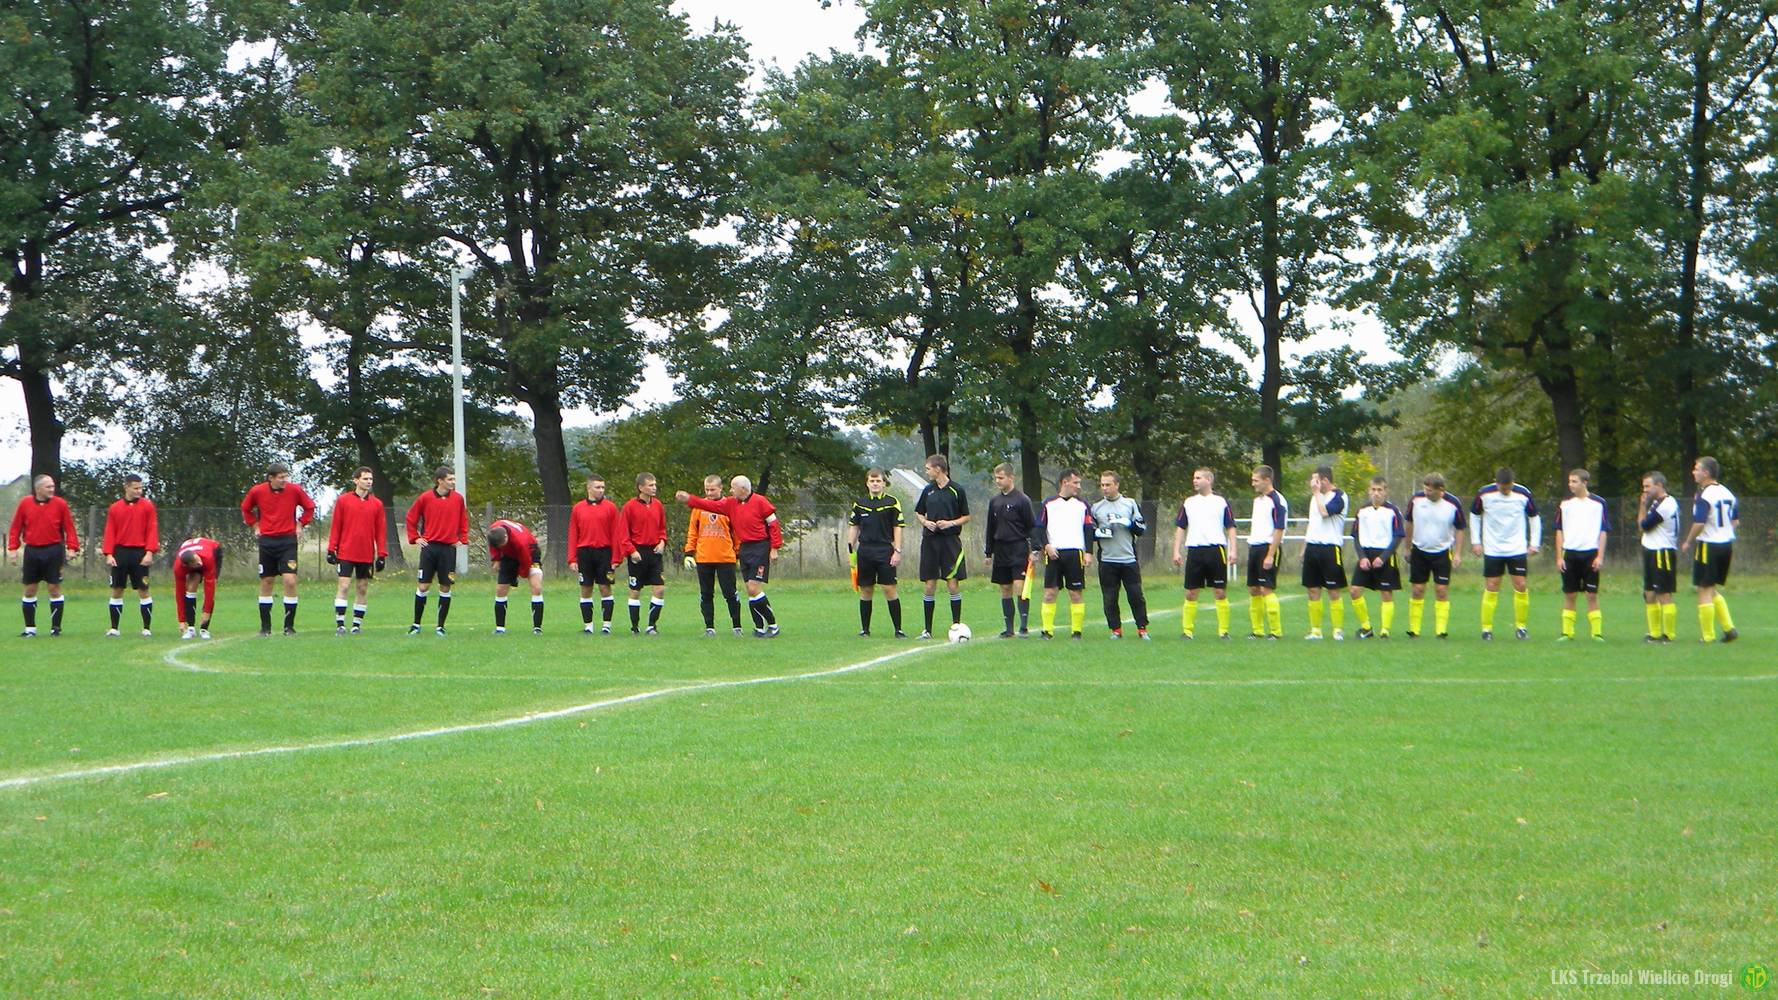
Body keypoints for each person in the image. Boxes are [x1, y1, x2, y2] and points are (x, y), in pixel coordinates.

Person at [675, 476, 784, 637]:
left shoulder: (760, 501)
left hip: (759, 548)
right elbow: (708, 505)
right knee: (750, 590)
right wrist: (689, 499)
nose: (731, 490)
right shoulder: (731, 503)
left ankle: (773, 626)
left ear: (743, 489)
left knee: (753, 588)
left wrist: (774, 548)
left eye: (733, 488)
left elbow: (773, 524)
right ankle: (759, 628)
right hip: (745, 549)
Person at [241, 462, 317, 635]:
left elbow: (309, 507)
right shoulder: (257, 491)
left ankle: (288, 627)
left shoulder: (294, 490)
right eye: (281, 477)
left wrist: (300, 524)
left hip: (287, 541)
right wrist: (255, 525)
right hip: (267, 542)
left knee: (290, 581)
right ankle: (265, 628)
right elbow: (246, 508)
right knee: (267, 582)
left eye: (286, 477)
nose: (284, 480)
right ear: (271, 478)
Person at [1471, 466, 1541, 640]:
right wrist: (1476, 541)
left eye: (1508, 487)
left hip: (1516, 548)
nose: (1506, 490)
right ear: (1496, 483)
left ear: (1513, 483)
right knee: (1492, 586)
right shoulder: (1484, 493)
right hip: (1493, 548)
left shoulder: (1523, 493)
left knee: (1521, 585)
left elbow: (1534, 517)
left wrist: (1534, 543)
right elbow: (1474, 515)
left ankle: (1521, 628)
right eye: (1503, 488)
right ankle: (1486, 629)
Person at [7, 474, 79, 637]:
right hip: (32, 551)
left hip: (53, 550)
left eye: (53, 486)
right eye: (48, 487)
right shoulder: (25, 503)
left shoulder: (60, 504)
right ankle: (30, 629)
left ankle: (56, 628)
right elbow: (16, 527)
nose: (52, 489)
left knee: (54, 588)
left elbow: (69, 528)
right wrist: (12, 549)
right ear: (38, 488)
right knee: (30, 590)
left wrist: (72, 548)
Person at [1171, 467, 1236, 640]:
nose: (1195, 481)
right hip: (1195, 550)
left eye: (1199, 478)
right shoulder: (1189, 502)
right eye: (1194, 478)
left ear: (1209, 480)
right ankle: (1187, 631)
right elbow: (1180, 527)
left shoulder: (1220, 502)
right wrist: (1176, 551)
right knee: (1191, 592)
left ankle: (1223, 631)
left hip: (1216, 550)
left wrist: (1233, 550)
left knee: (1220, 592)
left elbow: (1230, 526)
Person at [405, 466, 469, 635]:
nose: (453, 482)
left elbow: (463, 520)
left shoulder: (458, 499)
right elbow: (411, 518)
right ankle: (416, 625)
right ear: (440, 481)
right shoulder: (425, 498)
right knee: (423, 586)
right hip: (430, 548)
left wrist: (462, 539)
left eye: (453, 479)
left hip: (448, 549)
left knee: (445, 586)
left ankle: (440, 627)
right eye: (450, 479)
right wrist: (415, 537)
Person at [1682, 456, 1738, 643]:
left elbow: (1699, 522)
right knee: (1711, 587)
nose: (1693, 472)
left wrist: (1688, 541)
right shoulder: (1728, 493)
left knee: (1703, 589)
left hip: (1709, 545)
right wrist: (1724, 532)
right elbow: (1735, 521)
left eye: (1697, 469)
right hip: (1726, 544)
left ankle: (1707, 636)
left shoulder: (1705, 495)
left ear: (1706, 473)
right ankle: (1729, 629)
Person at [914, 454, 970, 639]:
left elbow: (966, 516)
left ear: (938, 469)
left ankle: (957, 627)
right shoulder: (928, 490)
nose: (927, 471)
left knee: (952, 583)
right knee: (930, 584)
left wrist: (950, 523)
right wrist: (925, 522)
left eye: (928, 468)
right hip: (930, 542)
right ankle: (927, 630)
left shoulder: (957, 490)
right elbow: (919, 512)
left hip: (950, 542)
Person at [327, 467, 388, 636]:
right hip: (346, 552)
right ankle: (340, 624)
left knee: (362, 588)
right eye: (365, 478)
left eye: (370, 479)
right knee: (344, 586)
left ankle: (356, 625)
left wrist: (381, 554)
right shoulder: (343, 500)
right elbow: (336, 526)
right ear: (356, 480)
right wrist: (331, 549)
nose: (369, 482)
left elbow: (380, 531)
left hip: (366, 554)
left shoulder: (377, 504)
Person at [1404, 473, 1466, 639]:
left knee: (1441, 590)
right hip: (1419, 551)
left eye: (1430, 490)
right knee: (1417, 590)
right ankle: (1414, 630)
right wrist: (1407, 548)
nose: (1426, 492)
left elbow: (1460, 528)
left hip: (1442, 552)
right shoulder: (1416, 500)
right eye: (1425, 489)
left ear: (1441, 490)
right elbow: (1409, 523)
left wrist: (1458, 553)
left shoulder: (1453, 504)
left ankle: (1441, 631)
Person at [1036, 469, 1094, 639]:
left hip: (1075, 553)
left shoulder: (1083, 505)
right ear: (1064, 482)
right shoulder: (1049, 504)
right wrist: (1046, 546)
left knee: (1075, 593)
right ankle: (1047, 631)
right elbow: (1039, 528)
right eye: (1076, 483)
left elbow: (1088, 529)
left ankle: (1076, 631)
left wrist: (1089, 552)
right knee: (1050, 593)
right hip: (1054, 554)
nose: (1079, 486)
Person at [848, 468, 906, 638]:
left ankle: (898, 630)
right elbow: (854, 526)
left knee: (889, 589)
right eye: (872, 481)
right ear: (867, 483)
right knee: (866, 589)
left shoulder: (892, 502)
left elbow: (898, 527)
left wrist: (897, 551)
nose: (875, 484)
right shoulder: (859, 503)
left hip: (885, 550)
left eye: (878, 481)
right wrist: (850, 550)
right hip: (865, 551)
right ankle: (865, 630)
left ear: (884, 483)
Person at [983, 462, 1039, 638]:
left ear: (1011, 477)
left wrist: (1035, 549)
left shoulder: (1022, 500)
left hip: (1018, 548)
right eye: (996, 478)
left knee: (1019, 586)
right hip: (1001, 550)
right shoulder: (994, 502)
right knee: (1005, 588)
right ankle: (1009, 629)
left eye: (1001, 478)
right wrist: (988, 552)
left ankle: (1023, 627)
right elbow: (990, 528)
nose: (998, 481)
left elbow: (1032, 526)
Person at [684, 475, 744, 636]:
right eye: (707, 490)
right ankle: (709, 628)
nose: (709, 493)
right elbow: (692, 532)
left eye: (712, 490)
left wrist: (739, 554)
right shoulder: (698, 508)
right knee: (706, 594)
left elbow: (737, 533)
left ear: (720, 488)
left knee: (730, 593)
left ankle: (737, 627)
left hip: (726, 558)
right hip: (704, 558)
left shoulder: (729, 506)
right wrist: (689, 553)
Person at [1093, 470, 1149, 639]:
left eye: (1108, 484)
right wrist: (1098, 533)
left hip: (1128, 559)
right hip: (1107, 560)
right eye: (1102, 485)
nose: (1104, 488)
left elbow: (1141, 529)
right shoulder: (1096, 508)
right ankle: (1115, 630)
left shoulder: (1130, 504)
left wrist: (1129, 524)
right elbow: (1089, 532)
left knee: (1136, 595)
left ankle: (1142, 629)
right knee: (1110, 597)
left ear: (1116, 485)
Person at [101, 473, 159, 637]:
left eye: (141, 488)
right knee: (117, 589)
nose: (139, 491)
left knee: (143, 589)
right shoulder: (115, 508)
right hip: (120, 553)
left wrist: (149, 552)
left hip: (140, 553)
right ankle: (114, 628)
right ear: (126, 487)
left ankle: (146, 628)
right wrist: (109, 554)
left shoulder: (148, 506)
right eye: (135, 488)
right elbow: (110, 531)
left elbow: (152, 529)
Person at [1553, 469, 1608, 642]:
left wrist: (1600, 556)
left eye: (1574, 481)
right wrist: (1559, 557)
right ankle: (1567, 633)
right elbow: (1559, 531)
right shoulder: (1565, 504)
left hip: (1590, 554)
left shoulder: (1599, 503)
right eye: (1569, 481)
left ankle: (1596, 633)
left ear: (1585, 483)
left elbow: (1603, 531)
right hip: (1570, 554)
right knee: (1570, 594)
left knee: (1591, 595)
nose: (1571, 485)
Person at [1348, 476, 1405, 639]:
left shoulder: (1393, 511)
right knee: (1354, 591)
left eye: (1380, 490)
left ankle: (1385, 630)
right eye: (1373, 489)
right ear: (1369, 491)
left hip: (1385, 555)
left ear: (1385, 492)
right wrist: (1362, 557)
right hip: (1366, 554)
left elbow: (1398, 536)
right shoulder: (1362, 510)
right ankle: (1366, 628)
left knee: (1386, 593)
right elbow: (1356, 536)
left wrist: (1384, 557)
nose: (1376, 493)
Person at [567, 474, 624, 635]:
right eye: (597, 487)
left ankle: (606, 625)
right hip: (584, 553)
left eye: (603, 487)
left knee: (605, 588)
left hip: (604, 553)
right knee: (586, 588)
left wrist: (617, 557)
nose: (601, 490)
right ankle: (588, 626)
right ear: (589, 488)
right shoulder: (578, 508)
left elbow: (616, 534)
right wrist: (572, 558)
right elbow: (573, 533)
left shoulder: (610, 508)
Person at [1301, 465, 1351, 640]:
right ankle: (1316, 630)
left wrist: (1316, 493)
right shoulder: (1314, 498)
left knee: (1333, 590)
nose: (1312, 483)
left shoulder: (1339, 496)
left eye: (1315, 480)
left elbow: (1324, 513)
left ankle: (1337, 630)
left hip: (1330, 548)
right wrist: (1304, 547)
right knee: (1313, 590)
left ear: (1325, 480)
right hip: (1312, 547)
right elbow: (1313, 522)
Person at [620, 473, 669, 635]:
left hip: (654, 553)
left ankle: (651, 626)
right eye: (650, 485)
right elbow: (623, 534)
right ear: (641, 487)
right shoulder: (629, 507)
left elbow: (662, 529)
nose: (654, 488)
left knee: (659, 589)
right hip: (637, 553)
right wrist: (632, 551)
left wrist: (662, 542)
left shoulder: (658, 505)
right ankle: (635, 627)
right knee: (635, 591)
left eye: (655, 484)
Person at [1637, 471, 1680, 643]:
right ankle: (1654, 633)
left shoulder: (1666, 505)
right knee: (1649, 593)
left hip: (1662, 552)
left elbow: (1643, 526)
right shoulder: (1657, 502)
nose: (1645, 490)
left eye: (1648, 486)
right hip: (1651, 550)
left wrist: (1642, 506)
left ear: (1659, 485)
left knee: (1663, 593)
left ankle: (1669, 634)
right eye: (1644, 487)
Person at [1245, 466, 1287, 640]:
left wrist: (1270, 554)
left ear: (1267, 480)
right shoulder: (1258, 500)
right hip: (1255, 547)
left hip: (1268, 547)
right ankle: (1257, 630)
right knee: (1254, 589)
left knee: (1266, 589)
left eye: (1256, 480)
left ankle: (1275, 631)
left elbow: (1279, 528)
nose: (1253, 483)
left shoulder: (1277, 500)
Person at [486, 519, 545, 634]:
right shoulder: (493, 533)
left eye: (503, 544)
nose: (501, 546)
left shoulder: (520, 541)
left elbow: (525, 561)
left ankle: (537, 628)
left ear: (506, 536)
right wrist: (496, 559)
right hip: (509, 556)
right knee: (501, 589)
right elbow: (493, 547)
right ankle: (500, 629)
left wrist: (520, 574)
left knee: (536, 587)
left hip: (530, 552)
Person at [173, 536, 223, 639]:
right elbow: (179, 593)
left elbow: (209, 588)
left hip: (214, 551)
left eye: (197, 559)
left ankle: (204, 629)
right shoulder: (179, 568)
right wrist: (181, 620)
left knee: (211, 584)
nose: (200, 563)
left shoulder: (206, 558)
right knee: (191, 587)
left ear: (196, 555)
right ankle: (190, 629)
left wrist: (207, 612)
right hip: (194, 556)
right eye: (195, 563)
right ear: (188, 566)